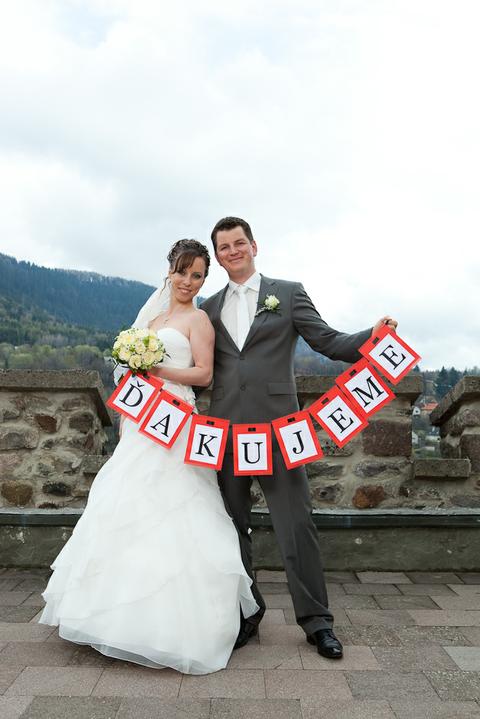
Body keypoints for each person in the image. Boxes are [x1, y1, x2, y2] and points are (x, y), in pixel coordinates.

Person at [39, 239, 258, 675]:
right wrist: (130, 410)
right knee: (129, 502)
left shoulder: (199, 320)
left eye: (197, 275)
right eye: (182, 272)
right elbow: (130, 377)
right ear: (169, 271)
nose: (188, 281)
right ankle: (112, 616)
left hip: (176, 418)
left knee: (178, 504)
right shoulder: (153, 320)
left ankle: (177, 625)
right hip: (143, 422)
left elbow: (203, 373)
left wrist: (158, 371)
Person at [201, 217, 398, 659]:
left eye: (239, 243)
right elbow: (199, 368)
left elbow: (328, 341)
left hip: (279, 431)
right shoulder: (207, 308)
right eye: (224, 247)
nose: (233, 251)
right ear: (217, 257)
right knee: (231, 528)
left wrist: (372, 335)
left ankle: (317, 622)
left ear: (254, 246)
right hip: (225, 433)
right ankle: (245, 614)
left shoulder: (288, 293)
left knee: (297, 526)